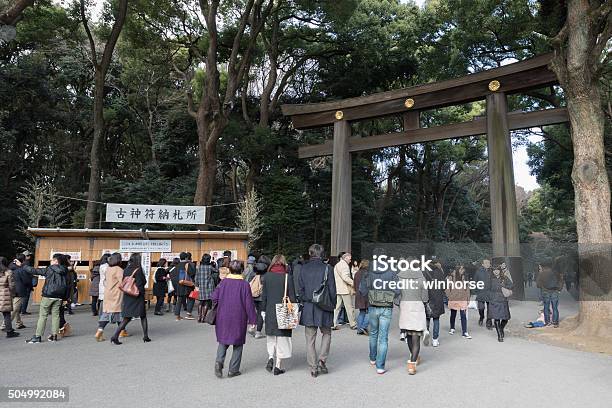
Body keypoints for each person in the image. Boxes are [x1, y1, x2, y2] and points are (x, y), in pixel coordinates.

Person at [212, 260, 257, 378]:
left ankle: (219, 362)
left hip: (223, 316)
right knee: (238, 343)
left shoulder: (223, 282)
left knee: (223, 341)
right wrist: (253, 320)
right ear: (241, 270)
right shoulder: (244, 284)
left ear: (230, 270)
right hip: (239, 316)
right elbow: (249, 304)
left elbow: (214, 297)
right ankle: (233, 370)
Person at [298, 244, 337, 377]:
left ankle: (313, 367)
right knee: (327, 334)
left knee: (310, 339)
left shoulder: (303, 268)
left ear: (310, 253)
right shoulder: (328, 268)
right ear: (322, 254)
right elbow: (332, 289)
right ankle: (322, 360)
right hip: (325, 306)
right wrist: (334, 304)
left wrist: (305, 299)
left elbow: (300, 289)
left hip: (309, 306)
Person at [359, 254, 399, 375]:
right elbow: (397, 290)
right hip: (386, 307)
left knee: (373, 333)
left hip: (373, 306)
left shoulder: (368, 272)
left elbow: (362, 290)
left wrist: (370, 294)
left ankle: (372, 358)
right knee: (383, 337)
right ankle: (380, 366)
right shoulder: (392, 272)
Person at [261, 255, 296, 375]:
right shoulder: (287, 277)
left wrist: (263, 311)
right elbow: (292, 297)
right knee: (282, 338)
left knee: (270, 336)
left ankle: (270, 356)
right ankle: (278, 365)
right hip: (283, 311)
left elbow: (264, 296)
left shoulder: (267, 277)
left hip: (270, 310)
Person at [26, 254, 68, 343]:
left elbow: (34, 270)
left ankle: (38, 336)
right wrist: (65, 298)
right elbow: (67, 285)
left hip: (48, 296)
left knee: (43, 316)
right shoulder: (65, 270)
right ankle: (54, 335)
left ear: (56, 261)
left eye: (52, 260)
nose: (51, 261)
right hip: (59, 297)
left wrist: (23, 265)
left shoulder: (49, 269)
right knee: (56, 316)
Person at [397, 260, 429, 375]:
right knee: (416, 337)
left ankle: (413, 357)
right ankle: (412, 363)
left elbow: (397, 293)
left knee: (409, 334)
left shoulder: (400, 277)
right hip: (417, 307)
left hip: (405, 306)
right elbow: (425, 297)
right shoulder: (421, 278)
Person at [111, 253, 150, 345]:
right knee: (143, 316)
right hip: (137, 295)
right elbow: (141, 283)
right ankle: (145, 336)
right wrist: (141, 293)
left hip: (128, 295)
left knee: (127, 318)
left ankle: (115, 336)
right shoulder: (138, 270)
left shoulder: (126, 269)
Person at [95, 253, 124, 342]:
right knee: (119, 312)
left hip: (107, 292)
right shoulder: (119, 269)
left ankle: (100, 330)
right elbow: (122, 282)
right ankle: (122, 331)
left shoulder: (108, 269)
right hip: (116, 293)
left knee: (106, 312)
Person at [488, 264, 513, 342]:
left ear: (500, 271)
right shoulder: (490, 279)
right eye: (494, 270)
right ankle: (500, 335)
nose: (496, 271)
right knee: (496, 318)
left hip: (503, 300)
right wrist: (490, 296)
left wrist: (504, 287)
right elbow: (486, 289)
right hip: (494, 301)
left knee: (505, 318)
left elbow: (511, 285)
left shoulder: (505, 278)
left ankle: (501, 328)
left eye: (497, 270)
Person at [446, 265, 472, 339]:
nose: (462, 270)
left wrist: (468, 298)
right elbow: (447, 288)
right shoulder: (451, 277)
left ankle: (465, 332)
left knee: (463, 315)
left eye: (463, 269)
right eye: (461, 269)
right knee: (453, 313)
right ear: (457, 270)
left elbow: (467, 289)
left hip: (463, 299)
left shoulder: (465, 278)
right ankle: (452, 327)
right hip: (454, 298)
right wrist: (449, 296)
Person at [423, 260, 445, 347]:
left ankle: (426, 332)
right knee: (436, 319)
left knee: (427, 318)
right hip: (437, 298)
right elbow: (444, 286)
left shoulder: (424, 272)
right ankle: (435, 340)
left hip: (427, 298)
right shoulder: (439, 272)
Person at [333, 252, 357, 330]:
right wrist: (353, 283)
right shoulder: (345, 265)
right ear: (346, 258)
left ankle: (333, 323)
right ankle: (353, 324)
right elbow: (345, 277)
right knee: (349, 308)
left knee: (337, 308)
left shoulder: (337, 265)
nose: (350, 260)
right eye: (350, 259)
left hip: (338, 289)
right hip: (345, 290)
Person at [536, 259, 562, 327]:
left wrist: (543, 286)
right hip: (555, 291)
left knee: (546, 307)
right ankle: (555, 322)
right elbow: (561, 281)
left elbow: (538, 284)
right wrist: (559, 289)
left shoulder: (542, 273)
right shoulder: (556, 272)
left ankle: (547, 322)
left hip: (545, 292)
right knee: (555, 307)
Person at [10, 254, 32, 330]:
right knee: (15, 308)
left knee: (16, 307)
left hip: (10, 289)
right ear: (22, 260)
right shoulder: (21, 268)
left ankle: (19, 323)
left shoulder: (10, 266)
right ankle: (5, 324)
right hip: (19, 289)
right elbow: (26, 280)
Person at [0, 257, 20, 338]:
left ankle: (9, 330)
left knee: (5, 313)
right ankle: (9, 331)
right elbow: (11, 285)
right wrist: (13, 293)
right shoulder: (8, 272)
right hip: (5, 293)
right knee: (7, 313)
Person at [174, 252, 196, 321]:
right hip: (188, 285)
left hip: (180, 285)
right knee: (192, 298)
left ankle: (177, 316)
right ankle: (189, 314)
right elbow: (192, 273)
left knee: (179, 300)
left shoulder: (177, 265)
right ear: (186, 258)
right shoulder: (187, 264)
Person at [195, 254, 215, 323]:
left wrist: (196, 285)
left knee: (200, 302)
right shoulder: (210, 267)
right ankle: (203, 317)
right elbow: (217, 271)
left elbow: (196, 277)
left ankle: (199, 317)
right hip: (209, 286)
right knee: (206, 302)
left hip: (201, 286)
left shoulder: (198, 267)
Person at [474, 259, 492, 329]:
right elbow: (475, 281)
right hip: (481, 293)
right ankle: (481, 317)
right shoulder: (478, 271)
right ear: (482, 264)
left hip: (490, 293)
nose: (488, 264)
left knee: (490, 309)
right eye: (486, 263)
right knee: (481, 308)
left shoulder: (492, 272)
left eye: (489, 263)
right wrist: (476, 291)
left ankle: (489, 322)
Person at [353, 259, 369, 335]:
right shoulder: (368, 273)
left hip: (358, 295)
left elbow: (355, 285)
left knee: (362, 312)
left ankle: (359, 330)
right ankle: (364, 326)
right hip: (367, 295)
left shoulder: (357, 273)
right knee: (370, 312)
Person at [20, 251, 35, 315]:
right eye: (28, 255)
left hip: (21, 282)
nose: (30, 257)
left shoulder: (21, 263)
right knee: (26, 297)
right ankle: (23, 311)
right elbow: (29, 273)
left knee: (21, 297)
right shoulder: (27, 263)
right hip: (27, 282)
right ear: (26, 256)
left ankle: (20, 310)